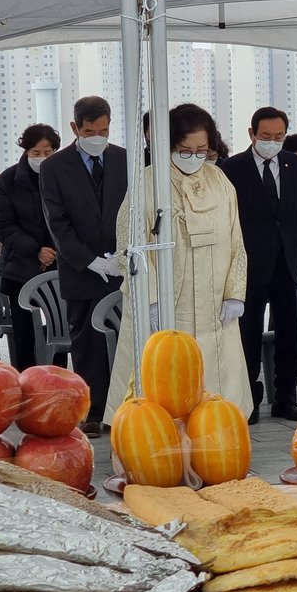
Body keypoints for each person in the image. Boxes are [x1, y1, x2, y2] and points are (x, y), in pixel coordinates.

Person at [107, 105, 252, 421]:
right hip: (169, 308)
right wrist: (151, 300)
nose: (195, 156)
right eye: (185, 150)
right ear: (168, 146)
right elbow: (130, 248)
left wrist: (235, 292)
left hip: (215, 306)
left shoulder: (220, 181)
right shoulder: (148, 183)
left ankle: (217, 434)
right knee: (167, 383)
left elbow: (236, 239)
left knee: (217, 383)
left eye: (202, 150)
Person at [221, 106, 297, 424]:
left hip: (287, 263)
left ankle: (286, 398)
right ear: (252, 134)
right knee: (247, 334)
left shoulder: (293, 165)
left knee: (289, 334)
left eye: (279, 136)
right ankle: (248, 396)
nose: (272, 142)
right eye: (266, 136)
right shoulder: (232, 167)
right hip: (248, 264)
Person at [40, 96, 127, 438]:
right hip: (80, 268)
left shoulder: (126, 158)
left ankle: (123, 406)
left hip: (123, 264)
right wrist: (92, 261)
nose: (98, 136)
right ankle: (91, 411)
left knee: (125, 338)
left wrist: (120, 256)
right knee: (87, 341)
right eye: (90, 131)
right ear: (75, 128)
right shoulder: (54, 167)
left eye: (103, 130)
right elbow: (57, 222)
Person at [0, 124, 63, 371]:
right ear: (25, 151)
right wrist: (36, 250)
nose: (42, 158)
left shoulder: (63, 176)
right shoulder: (9, 180)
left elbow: (72, 217)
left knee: (58, 328)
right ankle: (25, 381)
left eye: (48, 152)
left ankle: (58, 380)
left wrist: (53, 249)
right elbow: (2, 223)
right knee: (24, 332)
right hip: (19, 266)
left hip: (58, 265)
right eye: (36, 152)